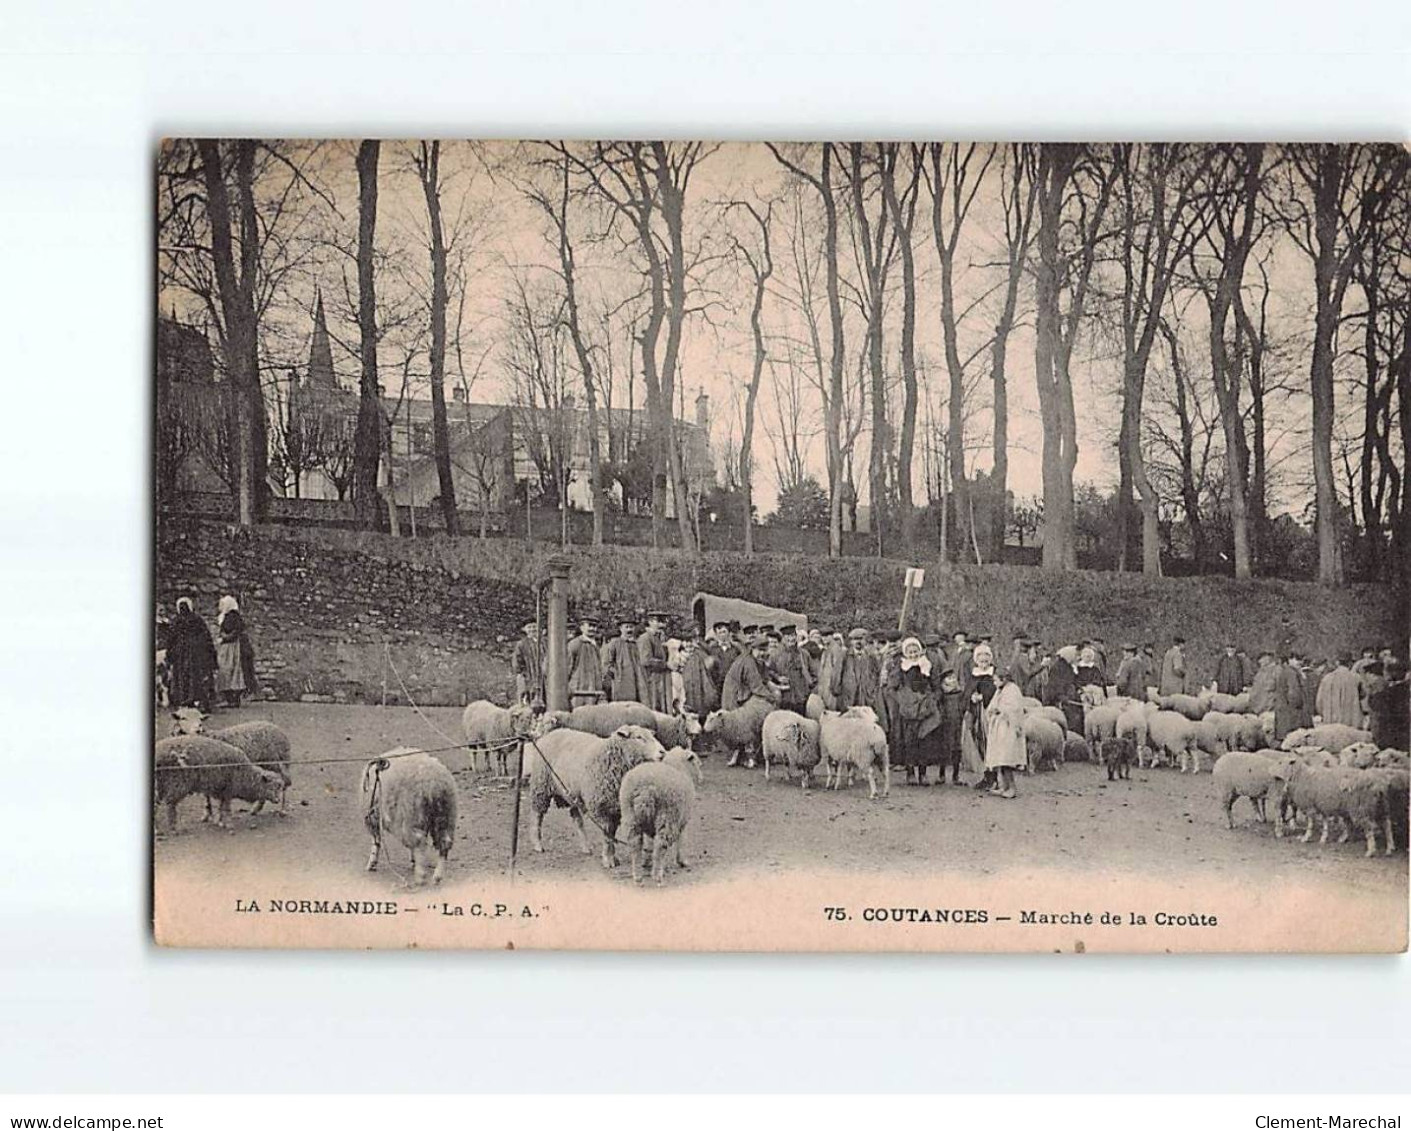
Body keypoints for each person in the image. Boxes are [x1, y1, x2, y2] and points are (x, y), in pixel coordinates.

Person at [883, 637, 945, 786]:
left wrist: (932, 699)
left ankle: (922, 774)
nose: (913, 654)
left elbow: (936, 686)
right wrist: (903, 700)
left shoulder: (927, 665)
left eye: (915, 651)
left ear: (920, 651)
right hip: (909, 709)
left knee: (924, 741)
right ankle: (910, 773)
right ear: (905, 653)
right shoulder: (901, 667)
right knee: (909, 741)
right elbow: (891, 688)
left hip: (925, 708)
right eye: (910, 652)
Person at [166, 595, 216, 712]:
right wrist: (209, 654)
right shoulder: (197, 620)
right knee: (195, 676)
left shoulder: (176, 621)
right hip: (195, 653)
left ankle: (184, 700)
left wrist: (170, 655)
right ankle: (195, 700)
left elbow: (170, 640)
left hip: (181, 653)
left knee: (182, 676)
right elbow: (206, 637)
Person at [984, 677, 1028, 799]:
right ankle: (1004, 786)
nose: (994, 682)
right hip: (999, 727)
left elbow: (1014, 709)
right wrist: (992, 711)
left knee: (1006, 759)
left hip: (1008, 729)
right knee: (1000, 759)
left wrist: (1000, 710)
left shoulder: (1012, 690)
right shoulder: (1000, 690)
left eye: (996, 680)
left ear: (1004, 679)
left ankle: (1012, 787)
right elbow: (993, 705)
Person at [962, 643, 999, 789]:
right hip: (977, 714)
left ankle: (994, 776)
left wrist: (984, 697)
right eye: (981, 661)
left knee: (992, 744)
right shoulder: (974, 675)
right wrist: (972, 697)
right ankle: (986, 775)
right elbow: (967, 692)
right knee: (980, 743)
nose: (984, 665)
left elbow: (997, 692)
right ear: (976, 661)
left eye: (986, 661)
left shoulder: (993, 674)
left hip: (990, 714)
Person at [213, 595, 257, 708]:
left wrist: (225, 637)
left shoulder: (233, 616)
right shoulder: (224, 616)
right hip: (227, 647)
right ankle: (229, 698)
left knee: (232, 671)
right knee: (226, 671)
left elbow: (236, 631)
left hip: (234, 648)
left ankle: (234, 699)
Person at [772, 624, 816, 713]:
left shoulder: (804, 654)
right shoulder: (775, 655)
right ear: (783, 638)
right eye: (787, 636)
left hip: (802, 698)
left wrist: (808, 686)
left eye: (793, 635)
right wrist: (778, 678)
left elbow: (814, 673)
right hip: (785, 698)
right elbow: (768, 673)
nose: (791, 639)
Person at [1314, 651, 1364, 728]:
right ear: (1350, 663)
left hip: (1330, 723)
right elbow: (1363, 697)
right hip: (1351, 723)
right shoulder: (1356, 678)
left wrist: (1325, 714)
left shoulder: (1326, 678)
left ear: (1337, 663)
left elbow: (1319, 703)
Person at [835, 627, 880, 710]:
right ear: (851, 641)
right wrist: (839, 692)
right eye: (855, 639)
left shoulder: (871, 656)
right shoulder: (844, 655)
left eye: (861, 639)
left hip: (867, 695)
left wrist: (873, 690)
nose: (858, 642)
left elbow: (877, 673)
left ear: (865, 641)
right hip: (849, 695)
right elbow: (837, 674)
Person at [1368, 659, 1408, 750]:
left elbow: (1373, 706)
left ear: (1391, 673)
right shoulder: (1405, 689)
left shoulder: (1385, 694)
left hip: (1389, 738)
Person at [636, 611, 672, 713]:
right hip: (649, 680)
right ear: (650, 621)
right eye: (659, 621)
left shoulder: (659, 638)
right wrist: (665, 665)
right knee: (652, 708)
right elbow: (646, 660)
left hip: (659, 680)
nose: (662, 625)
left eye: (663, 622)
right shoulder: (645, 638)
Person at [601, 618, 643, 703]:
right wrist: (615, 673)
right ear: (621, 628)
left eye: (631, 627)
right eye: (626, 627)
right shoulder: (615, 643)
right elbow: (606, 662)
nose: (629, 630)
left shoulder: (636, 644)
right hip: (620, 681)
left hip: (635, 681)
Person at [566, 619, 603, 708]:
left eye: (594, 626)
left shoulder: (595, 646)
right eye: (589, 626)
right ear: (582, 627)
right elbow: (567, 667)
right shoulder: (574, 644)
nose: (592, 628)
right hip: (579, 688)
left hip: (594, 688)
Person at [936, 667, 965, 785]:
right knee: (943, 749)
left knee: (956, 749)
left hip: (957, 724)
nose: (952, 680)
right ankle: (941, 774)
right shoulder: (941, 695)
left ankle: (955, 775)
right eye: (949, 678)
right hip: (944, 724)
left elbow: (963, 707)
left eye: (953, 678)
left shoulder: (960, 694)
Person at [679, 636, 718, 717]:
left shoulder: (699, 654)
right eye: (685, 641)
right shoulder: (678, 653)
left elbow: (710, 662)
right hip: (682, 684)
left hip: (698, 684)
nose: (688, 644)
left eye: (690, 641)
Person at [1271, 649, 1304, 742]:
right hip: (1290, 714)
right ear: (1289, 660)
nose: (1299, 662)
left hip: (1283, 712)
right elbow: (1294, 694)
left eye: (1300, 659)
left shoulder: (1285, 672)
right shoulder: (1291, 673)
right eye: (1296, 659)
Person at [816, 630, 847, 711]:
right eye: (822, 636)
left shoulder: (835, 649)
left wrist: (835, 687)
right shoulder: (826, 649)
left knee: (831, 711)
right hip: (824, 685)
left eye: (827, 636)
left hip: (831, 686)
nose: (824, 638)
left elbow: (837, 669)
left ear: (831, 636)